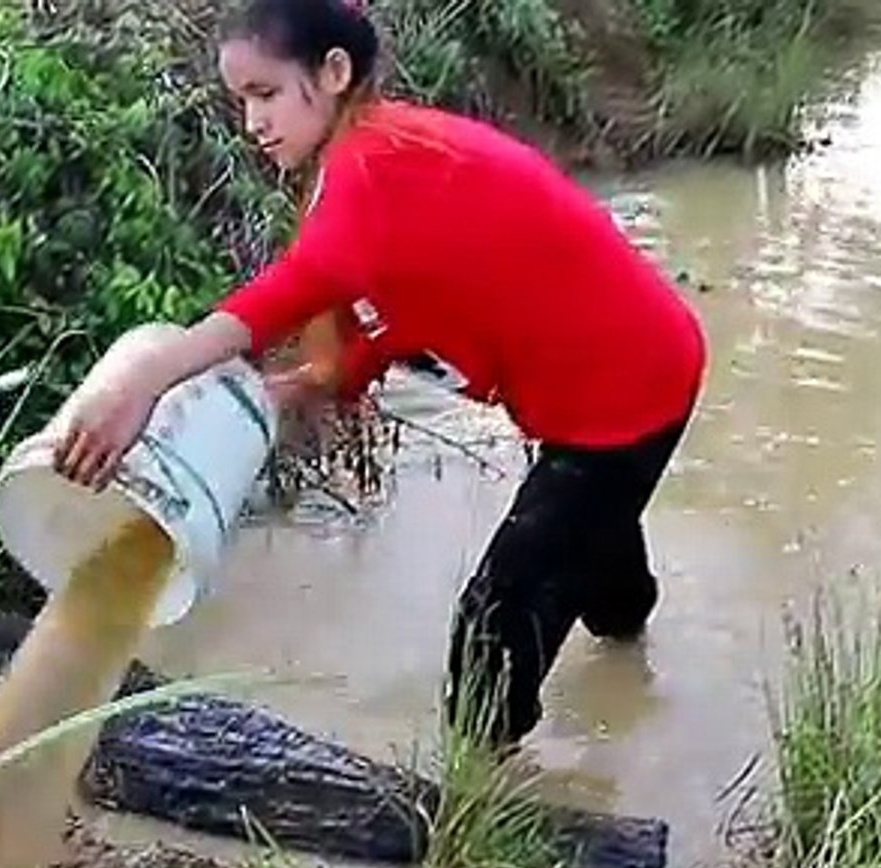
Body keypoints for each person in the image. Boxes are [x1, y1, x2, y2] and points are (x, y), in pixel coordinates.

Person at [52, 0, 706, 752]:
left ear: (332, 73)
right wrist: (299, 388)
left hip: (622, 395)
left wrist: (141, 383)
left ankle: (485, 795)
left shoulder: (366, 171)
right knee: (596, 555)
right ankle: (630, 648)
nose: (252, 123)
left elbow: (282, 296)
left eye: (265, 94)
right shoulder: (379, 154)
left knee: (491, 633)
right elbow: (394, 300)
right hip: (629, 367)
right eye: (241, 103)